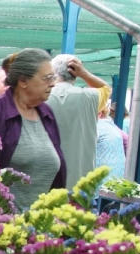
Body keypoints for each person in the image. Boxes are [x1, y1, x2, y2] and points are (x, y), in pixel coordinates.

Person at [0, 48, 67, 210]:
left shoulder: (47, 114)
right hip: (1, 226)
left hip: (43, 226)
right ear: (23, 81)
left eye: (53, 77)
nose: (52, 83)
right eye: (46, 78)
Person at [46, 54, 110, 189]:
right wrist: (84, 74)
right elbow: (106, 88)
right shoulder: (91, 98)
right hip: (80, 182)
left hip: (46, 178)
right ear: (75, 73)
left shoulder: (39, 97)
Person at [96, 104, 126, 182]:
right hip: (117, 180)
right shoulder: (112, 126)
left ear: (99, 113)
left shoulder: (97, 127)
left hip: (101, 183)